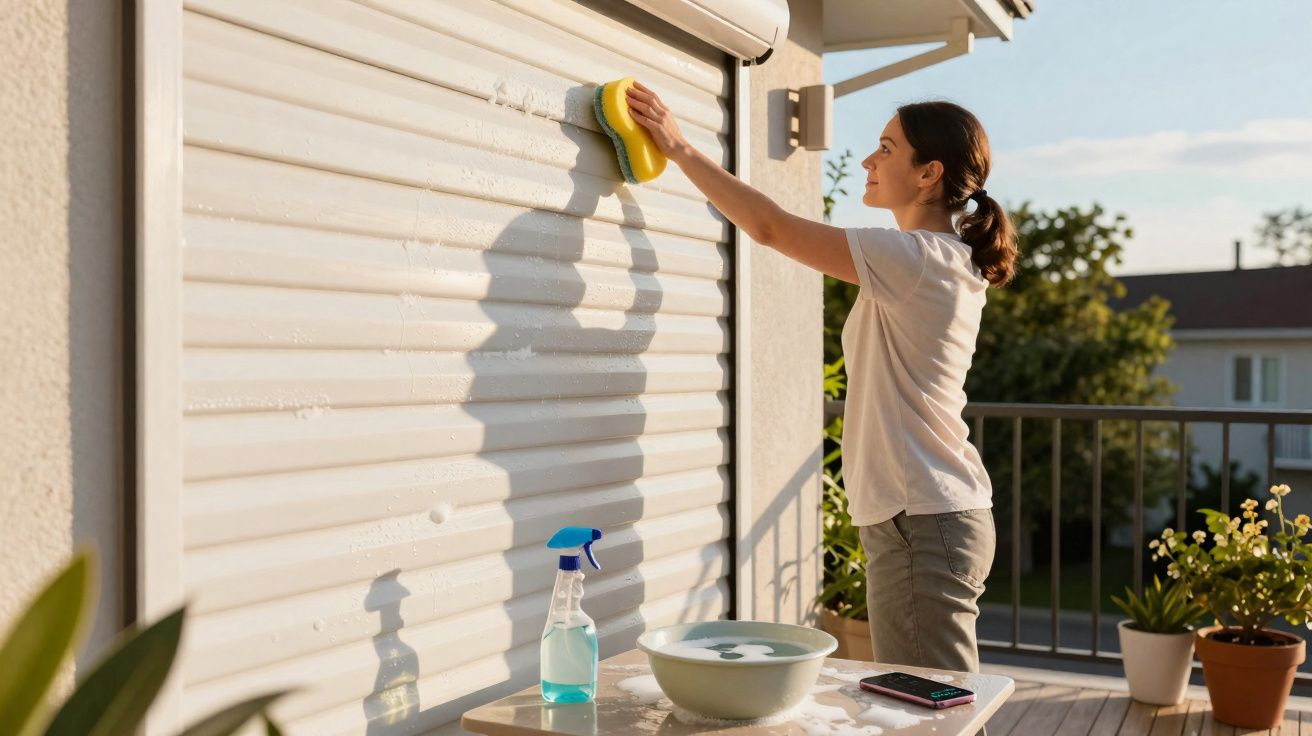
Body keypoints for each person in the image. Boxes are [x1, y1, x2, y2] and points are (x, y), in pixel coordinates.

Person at [626, 81, 1017, 675]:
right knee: (934, 706)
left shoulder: (916, 259)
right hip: (924, 517)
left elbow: (770, 228)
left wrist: (679, 147)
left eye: (886, 149)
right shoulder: (935, 261)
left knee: (931, 712)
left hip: (924, 518)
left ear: (927, 173)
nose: (868, 161)